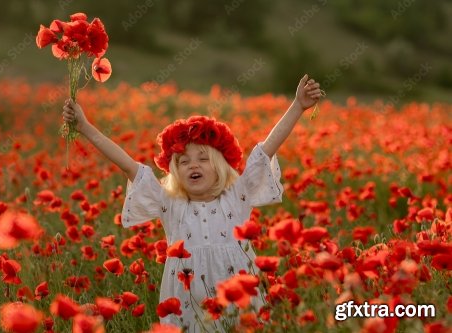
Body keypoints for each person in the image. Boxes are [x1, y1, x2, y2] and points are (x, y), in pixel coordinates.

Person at [62, 74, 323, 332]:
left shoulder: (237, 196)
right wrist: (84, 127)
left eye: (202, 158)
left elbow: (267, 149)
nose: (193, 165)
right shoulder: (170, 203)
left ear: (220, 164)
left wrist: (298, 106)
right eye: (183, 161)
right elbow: (128, 164)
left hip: (239, 297)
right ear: (174, 171)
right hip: (188, 304)